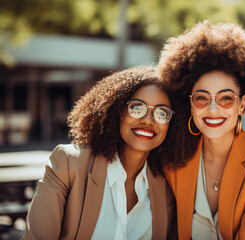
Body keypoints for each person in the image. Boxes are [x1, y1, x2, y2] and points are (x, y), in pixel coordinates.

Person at [158, 21, 245, 240]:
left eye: (226, 98)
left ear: (242, 104)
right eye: (202, 98)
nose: (213, 109)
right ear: (190, 104)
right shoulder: (173, 159)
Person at [24, 66, 179, 239]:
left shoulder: (167, 187)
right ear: (117, 110)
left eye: (162, 113)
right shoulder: (69, 164)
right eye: (137, 107)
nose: (148, 120)